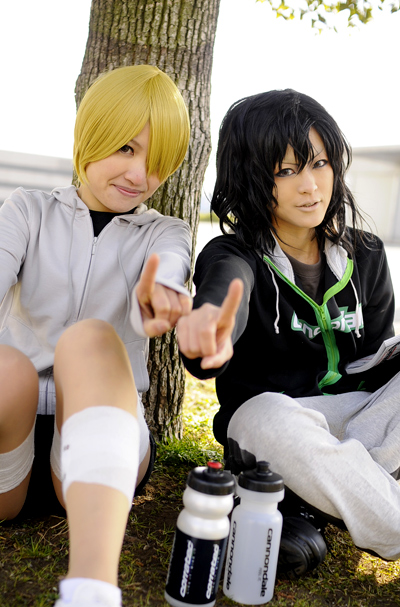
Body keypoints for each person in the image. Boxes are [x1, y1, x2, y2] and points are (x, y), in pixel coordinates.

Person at [177, 89, 400, 578]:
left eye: (319, 163)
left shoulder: (366, 254)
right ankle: (355, 503)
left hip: (355, 425)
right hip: (279, 431)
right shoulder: (233, 255)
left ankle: (315, 498)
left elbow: (377, 367)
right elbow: (222, 296)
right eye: (286, 171)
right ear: (252, 177)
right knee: (263, 417)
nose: (310, 186)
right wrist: (209, 331)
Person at [0, 65, 192, 607]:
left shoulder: (165, 232)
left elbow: (169, 269)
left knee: (88, 340)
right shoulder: (27, 210)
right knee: (9, 368)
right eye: (126, 148)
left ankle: (91, 591)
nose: (140, 174)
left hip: (103, 445)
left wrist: (162, 297)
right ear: (92, 134)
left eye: (157, 162)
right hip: (11, 428)